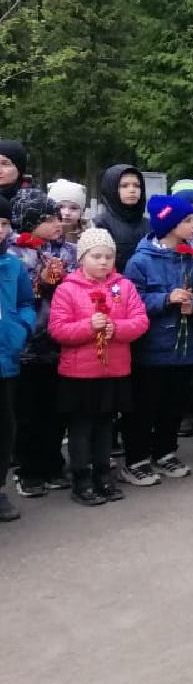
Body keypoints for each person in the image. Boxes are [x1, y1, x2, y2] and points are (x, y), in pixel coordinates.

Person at [49, 228, 149, 505]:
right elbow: (58, 329)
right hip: (80, 372)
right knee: (81, 427)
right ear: (82, 258)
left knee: (106, 424)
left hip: (113, 369)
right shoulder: (68, 289)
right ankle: (81, 476)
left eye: (108, 256)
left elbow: (140, 321)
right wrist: (87, 326)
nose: (103, 262)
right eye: (96, 256)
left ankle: (104, 473)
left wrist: (116, 327)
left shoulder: (123, 286)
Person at [120, 193, 193, 486]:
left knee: (175, 402)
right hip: (153, 348)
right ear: (169, 225)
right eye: (186, 221)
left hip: (185, 347)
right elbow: (132, 301)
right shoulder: (140, 261)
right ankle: (136, 458)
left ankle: (165, 451)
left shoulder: (191, 257)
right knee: (146, 405)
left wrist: (192, 304)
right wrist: (165, 299)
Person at [10, 193, 77, 500]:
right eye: (48, 219)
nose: (57, 223)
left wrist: (63, 281)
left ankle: (52, 464)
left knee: (55, 410)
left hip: (58, 342)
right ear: (31, 222)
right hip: (27, 347)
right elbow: (20, 296)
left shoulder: (66, 251)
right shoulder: (14, 253)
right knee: (28, 413)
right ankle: (28, 471)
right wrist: (43, 282)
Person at [0, 197, 35, 521]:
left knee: (4, 427)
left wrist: (21, 328)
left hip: (6, 359)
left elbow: (26, 302)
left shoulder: (12, 266)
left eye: (3, 223)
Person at [93, 163, 148, 273]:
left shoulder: (150, 225)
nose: (132, 190)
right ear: (111, 188)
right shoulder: (100, 224)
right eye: (124, 186)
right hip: (112, 286)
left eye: (137, 185)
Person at [47, 178, 87, 243]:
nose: (67, 213)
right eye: (60, 207)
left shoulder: (89, 238)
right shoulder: (41, 237)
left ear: (81, 212)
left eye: (74, 208)